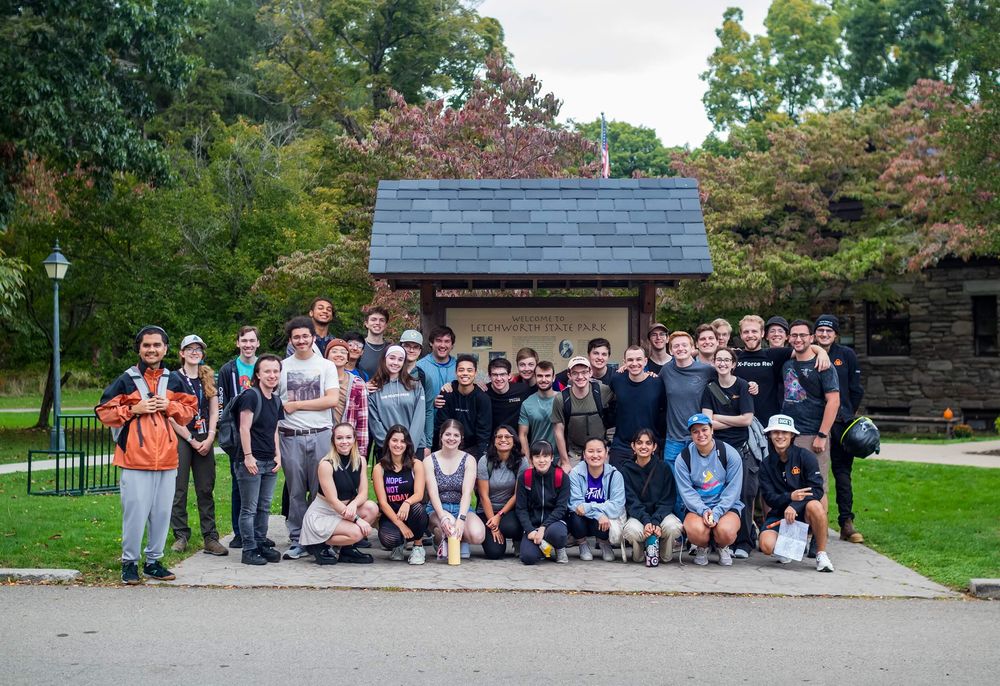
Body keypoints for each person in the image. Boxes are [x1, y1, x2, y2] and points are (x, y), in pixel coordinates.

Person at [96, 326, 198, 584]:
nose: (151, 349)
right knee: (135, 513)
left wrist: (170, 405)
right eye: (146, 345)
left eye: (157, 345)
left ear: (165, 349)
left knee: (163, 513)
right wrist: (134, 409)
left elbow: (190, 411)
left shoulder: (174, 380)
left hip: (167, 458)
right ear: (139, 349)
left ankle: (154, 561)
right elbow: (103, 411)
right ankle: (129, 563)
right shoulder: (126, 380)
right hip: (134, 459)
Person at [278, 316, 340, 560]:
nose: (301, 340)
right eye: (296, 337)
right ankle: (297, 538)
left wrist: (297, 405)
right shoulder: (282, 366)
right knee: (295, 490)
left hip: (321, 434)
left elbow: (331, 399)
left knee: (321, 490)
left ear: (313, 338)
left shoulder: (325, 366)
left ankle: (319, 536)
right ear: (291, 341)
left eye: (305, 336)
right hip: (290, 436)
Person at [168, 334, 225, 556]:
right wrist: (190, 439)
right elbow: (170, 415)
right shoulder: (174, 378)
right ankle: (181, 535)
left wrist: (210, 437)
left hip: (204, 436)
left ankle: (210, 537)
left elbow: (214, 409)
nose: (194, 352)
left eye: (198, 349)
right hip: (182, 436)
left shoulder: (208, 376)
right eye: (189, 348)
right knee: (179, 488)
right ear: (182, 353)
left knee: (205, 488)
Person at [813, 314, 866, 544]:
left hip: (841, 424)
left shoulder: (847, 355)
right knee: (815, 474)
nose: (824, 334)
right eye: (821, 330)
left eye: (829, 331)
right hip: (816, 423)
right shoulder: (808, 352)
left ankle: (846, 522)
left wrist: (846, 414)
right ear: (815, 333)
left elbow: (856, 390)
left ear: (836, 334)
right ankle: (813, 523)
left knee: (842, 474)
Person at [758, 414, 834, 572]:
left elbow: (817, 489)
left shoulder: (806, 457)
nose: (780, 436)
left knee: (816, 506)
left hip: (804, 511)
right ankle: (790, 544)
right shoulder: (766, 464)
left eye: (784, 432)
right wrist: (789, 497)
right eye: (776, 432)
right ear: (769, 435)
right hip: (780, 514)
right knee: (766, 545)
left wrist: (795, 505)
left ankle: (821, 554)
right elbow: (769, 498)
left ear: (792, 435)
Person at [700, 346, 755, 558]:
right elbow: (706, 422)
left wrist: (719, 418)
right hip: (716, 450)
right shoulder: (710, 388)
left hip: (739, 450)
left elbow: (747, 420)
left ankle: (744, 542)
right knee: (717, 493)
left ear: (733, 364)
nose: (722, 363)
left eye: (726, 360)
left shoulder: (742, 386)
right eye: (719, 359)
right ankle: (719, 541)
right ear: (714, 363)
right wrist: (734, 420)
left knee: (742, 495)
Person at [782, 320, 840, 514]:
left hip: (812, 434)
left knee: (817, 486)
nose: (798, 339)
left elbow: (833, 401)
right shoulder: (788, 363)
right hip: (789, 434)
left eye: (803, 335)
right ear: (789, 338)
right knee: (793, 484)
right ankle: (801, 530)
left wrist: (822, 435)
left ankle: (819, 534)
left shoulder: (823, 366)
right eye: (794, 335)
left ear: (811, 338)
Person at [299, 422, 379, 565]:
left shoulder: (360, 460)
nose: (344, 442)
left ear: (354, 439)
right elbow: (333, 501)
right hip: (324, 514)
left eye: (348, 437)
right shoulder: (326, 464)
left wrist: (354, 504)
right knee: (357, 532)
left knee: (372, 508)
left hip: (344, 510)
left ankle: (347, 551)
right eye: (339, 438)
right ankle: (318, 543)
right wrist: (357, 519)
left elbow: (363, 493)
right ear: (333, 441)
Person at [234, 354, 284, 566]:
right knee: (249, 508)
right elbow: (244, 427)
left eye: (275, 371)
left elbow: (274, 430)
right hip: (251, 461)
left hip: (269, 461)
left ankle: (261, 541)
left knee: (264, 506)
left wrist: (278, 455)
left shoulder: (276, 399)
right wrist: (248, 457)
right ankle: (249, 548)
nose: (272, 375)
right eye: (267, 371)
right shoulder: (251, 396)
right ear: (258, 374)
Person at [674, 413, 744, 567]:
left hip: (726, 507)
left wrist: (717, 512)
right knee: (696, 531)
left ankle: (722, 547)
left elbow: (733, 490)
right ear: (691, 435)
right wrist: (703, 510)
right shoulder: (684, 458)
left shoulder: (729, 453)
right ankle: (702, 547)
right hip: (697, 508)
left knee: (725, 532)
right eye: (695, 431)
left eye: (704, 429)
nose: (701, 434)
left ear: (712, 430)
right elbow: (687, 492)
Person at [659, 332, 717, 505]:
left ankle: (700, 526)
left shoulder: (707, 371)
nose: (680, 348)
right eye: (676, 346)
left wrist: (750, 385)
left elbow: (726, 384)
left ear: (692, 348)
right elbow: (650, 383)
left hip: (700, 438)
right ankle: (679, 530)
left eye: (684, 345)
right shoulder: (666, 371)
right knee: (675, 488)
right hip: (674, 439)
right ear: (671, 350)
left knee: (702, 484)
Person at [216, 325, 260, 550]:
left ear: (258, 343)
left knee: (260, 485)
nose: (248, 345)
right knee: (239, 484)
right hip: (236, 432)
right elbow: (221, 401)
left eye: (252, 341)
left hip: (259, 431)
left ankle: (257, 532)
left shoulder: (265, 366)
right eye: (244, 340)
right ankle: (239, 532)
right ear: (238, 343)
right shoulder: (228, 369)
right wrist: (224, 428)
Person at [618, 429, 684, 564]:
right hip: (638, 516)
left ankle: (664, 555)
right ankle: (639, 554)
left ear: (654, 447)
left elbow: (667, 500)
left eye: (648, 443)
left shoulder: (664, 468)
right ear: (633, 446)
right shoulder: (625, 470)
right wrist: (646, 521)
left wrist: (655, 521)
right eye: (639, 443)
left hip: (661, 516)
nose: (643, 446)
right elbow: (631, 501)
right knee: (631, 530)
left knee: (674, 526)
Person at [424, 419, 486, 559]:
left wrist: (462, 519)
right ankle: (439, 539)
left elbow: (466, 493)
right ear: (441, 436)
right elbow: (432, 493)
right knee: (449, 524)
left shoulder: (469, 459)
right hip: (437, 508)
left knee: (478, 535)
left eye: (456, 435)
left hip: (461, 507)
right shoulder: (429, 460)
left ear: (461, 438)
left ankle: (459, 540)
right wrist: (443, 517)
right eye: (447, 434)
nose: (451, 438)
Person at [372, 425, 429, 564]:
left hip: (411, 512)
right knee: (389, 539)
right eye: (394, 440)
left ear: (407, 444)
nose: (398, 445)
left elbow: (419, 494)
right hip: (391, 515)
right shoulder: (379, 468)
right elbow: (383, 502)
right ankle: (398, 545)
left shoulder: (416, 464)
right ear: (388, 442)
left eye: (402, 441)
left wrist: (407, 502)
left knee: (417, 508)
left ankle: (418, 546)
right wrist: (400, 525)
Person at [567, 437, 626, 561]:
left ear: (606, 453)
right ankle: (582, 544)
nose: (595, 455)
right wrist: (598, 514)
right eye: (590, 451)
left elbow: (617, 506)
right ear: (584, 454)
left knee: (606, 517)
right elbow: (575, 504)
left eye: (599, 451)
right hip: (582, 518)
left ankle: (604, 543)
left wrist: (590, 507)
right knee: (575, 517)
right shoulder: (575, 474)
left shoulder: (615, 475)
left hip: (604, 520)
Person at [551, 356, 613, 471]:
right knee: (571, 480)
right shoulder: (561, 399)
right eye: (575, 373)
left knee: (605, 481)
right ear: (569, 375)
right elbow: (558, 431)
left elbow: (618, 410)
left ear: (590, 372)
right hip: (575, 452)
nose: (580, 377)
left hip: (600, 450)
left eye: (584, 372)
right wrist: (565, 462)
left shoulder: (602, 391)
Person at [606, 345, 665, 466]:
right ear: (624, 362)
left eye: (638, 359)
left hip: (648, 444)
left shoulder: (657, 383)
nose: (634, 363)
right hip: (622, 446)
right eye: (630, 360)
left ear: (645, 361)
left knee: (647, 484)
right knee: (617, 482)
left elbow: (663, 412)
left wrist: (658, 442)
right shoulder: (617, 379)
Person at [515, 440, 570, 565]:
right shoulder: (525, 477)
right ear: (531, 459)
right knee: (528, 558)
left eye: (545, 456)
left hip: (553, 524)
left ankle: (559, 547)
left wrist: (543, 527)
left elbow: (561, 508)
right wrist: (530, 530)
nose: (541, 460)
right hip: (533, 525)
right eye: (537, 456)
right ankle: (543, 546)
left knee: (558, 534)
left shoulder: (562, 477)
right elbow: (521, 508)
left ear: (551, 458)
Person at [476, 425, 526, 559]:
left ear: (514, 440)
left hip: (508, 512)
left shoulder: (521, 462)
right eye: (499, 437)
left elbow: (517, 495)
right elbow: (483, 495)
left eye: (507, 437)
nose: (503, 440)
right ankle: (497, 534)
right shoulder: (484, 461)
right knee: (494, 553)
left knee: (513, 527)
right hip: (486, 512)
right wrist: (493, 524)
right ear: (494, 441)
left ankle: (518, 539)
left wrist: (499, 516)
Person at [368, 345, 427, 457]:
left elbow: (419, 418)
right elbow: (375, 422)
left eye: (400, 360)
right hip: (386, 450)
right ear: (384, 359)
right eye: (392, 358)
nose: (395, 362)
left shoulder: (415, 385)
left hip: (414, 447)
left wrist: (408, 445)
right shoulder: (374, 387)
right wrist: (391, 445)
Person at [434, 353, 492, 454]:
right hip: (449, 445)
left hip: (473, 448)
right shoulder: (447, 393)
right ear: (456, 372)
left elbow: (483, 433)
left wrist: (481, 455)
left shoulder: (482, 398)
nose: (465, 373)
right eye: (461, 370)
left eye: (469, 370)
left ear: (475, 373)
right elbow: (441, 425)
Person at [414, 325, 458, 454]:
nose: (442, 345)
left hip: (453, 429)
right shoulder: (420, 367)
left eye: (447, 341)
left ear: (452, 345)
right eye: (438, 340)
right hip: (427, 428)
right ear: (431, 343)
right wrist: (430, 402)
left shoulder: (459, 367)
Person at [324, 338, 369, 457]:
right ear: (326, 356)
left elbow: (362, 420)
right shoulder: (319, 381)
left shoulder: (358, 384)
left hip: (348, 442)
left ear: (348, 358)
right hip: (323, 440)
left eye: (343, 352)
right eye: (334, 351)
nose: (339, 355)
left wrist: (362, 452)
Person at [517, 360, 557, 457]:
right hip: (537, 458)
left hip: (559, 458)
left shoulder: (563, 399)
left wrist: (565, 459)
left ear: (553, 377)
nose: (543, 379)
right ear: (535, 377)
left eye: (547, 376)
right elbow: (523, 435)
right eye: (540, 376)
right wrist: (528, 461)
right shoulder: (527, 404)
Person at [485, 357, 534, 433]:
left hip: (517, 439)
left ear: (509, 375)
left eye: (502, 374)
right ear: (489, 376)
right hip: (493, 440)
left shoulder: (523, 390)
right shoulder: (483, 392)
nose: (499, 378)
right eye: (495, 375)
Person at [357, 306, 391, 379]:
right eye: (373, 319)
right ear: (366, 324)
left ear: (386, 325)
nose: (377, 323)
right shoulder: (357, 347)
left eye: (382, 320)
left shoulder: (391, 349)